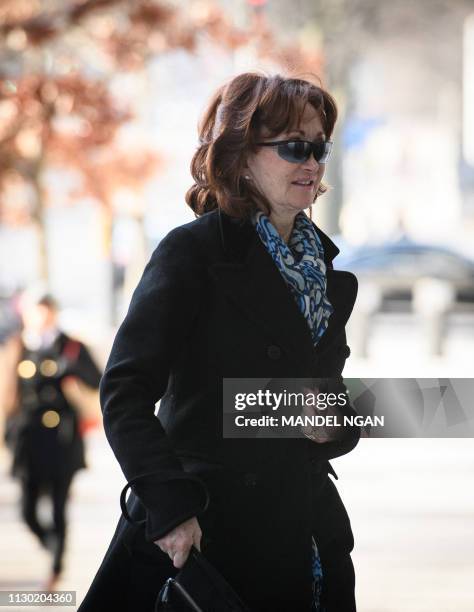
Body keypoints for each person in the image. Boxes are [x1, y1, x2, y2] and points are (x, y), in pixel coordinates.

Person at [79, 72, 360, 612]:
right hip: (207, 532)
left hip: (306, 530)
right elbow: (126, 390)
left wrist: (332, 423)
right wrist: (170, 507)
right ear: (241, 157)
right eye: (294, 147)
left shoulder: (329, 275)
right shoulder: (194, 253)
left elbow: (328, 400)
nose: (312, 163)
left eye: (320, 148)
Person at [4, 290, 102, 590]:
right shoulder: (18, 346)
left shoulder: (72, 347)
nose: (41, 317)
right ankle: (51, 547)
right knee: (26, 510)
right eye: (36, 311)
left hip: (62, 439)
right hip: (27, 440)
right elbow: (8, 393)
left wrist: (72, 376)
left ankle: (57, 566)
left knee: (59, 508)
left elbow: (98, 379)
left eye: (46, 310)